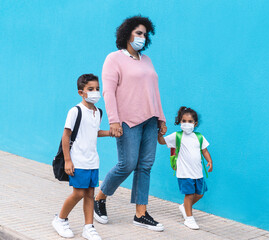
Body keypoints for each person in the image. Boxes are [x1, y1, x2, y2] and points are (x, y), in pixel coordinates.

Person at [93, 15, 167, 232]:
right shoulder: (113, 59)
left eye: (145, 34)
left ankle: (141, 214)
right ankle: (100, 197)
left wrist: (160, 118)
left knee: (145, 166)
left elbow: (155, 92)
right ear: (127, 34)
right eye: (138, 33)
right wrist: (114, 121)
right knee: (127, 164)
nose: (142, 37)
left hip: (150, 121)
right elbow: (109, 92)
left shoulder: (147, 60)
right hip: (128, 121)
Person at [52, 74, 110, 240]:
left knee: (90, 194)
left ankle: (88, 227)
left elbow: (94, 133)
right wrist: (68, 160)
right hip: (78, 160)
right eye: (90, 89)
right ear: (81, 92)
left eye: (97, 89)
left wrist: (111, 133)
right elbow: (66, 136)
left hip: (93, 160)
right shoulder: (75, 111)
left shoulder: (98, 112)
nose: (95, 92)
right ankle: (60, 219)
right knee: (78, 193)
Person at [158, 106, 213, 230]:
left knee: (200, 194)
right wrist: (160, 133)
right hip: (184, 173)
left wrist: (209, 161)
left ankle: (184, 207)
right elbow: (162, 142)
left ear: (195, 123)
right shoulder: (177, 136)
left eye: (190, 121)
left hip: (197, 172)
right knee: (189, 194)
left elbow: (204, 151)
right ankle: (189, 218)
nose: (186, 124)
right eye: (184, 121)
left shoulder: (199, 137)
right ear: (180, 122)